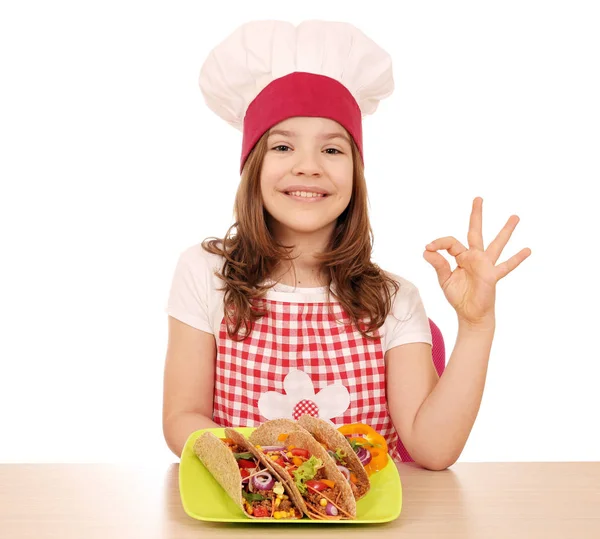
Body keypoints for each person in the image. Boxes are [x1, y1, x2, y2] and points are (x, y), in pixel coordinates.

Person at [162, 20, 531, 470]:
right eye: (282, 147)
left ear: (355, 175)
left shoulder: (394, 299)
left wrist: (476, 327)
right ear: (252, 167)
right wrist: (264, 473)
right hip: (249, 509)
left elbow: (435, 450)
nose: (308, 166)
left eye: (332, 150)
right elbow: (182, 417)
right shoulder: (205, 274)